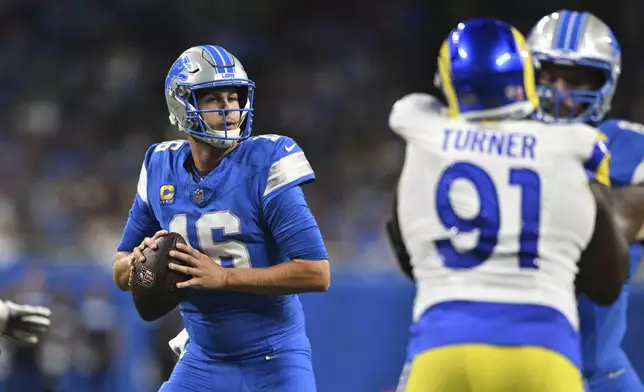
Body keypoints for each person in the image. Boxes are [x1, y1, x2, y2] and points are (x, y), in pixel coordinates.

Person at [387, 18, 629, 391]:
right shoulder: (579, 146)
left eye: (578, 80)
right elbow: (605, 283)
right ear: (527, 78)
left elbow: (406, 247)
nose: (562, 93)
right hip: (545, 345)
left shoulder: (421, 128)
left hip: (442, 341)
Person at [111, 45, 330, 392]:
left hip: (274, 361)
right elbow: (120, 268)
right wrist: (136, 263)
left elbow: (317, 273)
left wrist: (225, 278)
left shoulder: (267, 161)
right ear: (181, 104)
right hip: (203, 361)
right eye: (213, 99)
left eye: (234, 96)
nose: (229, 108)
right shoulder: (159, 167)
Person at [528, 11, 644, 391]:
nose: (561, 92)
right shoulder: (499, 145)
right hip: (509, 368)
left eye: (577, 79)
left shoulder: (629, 151)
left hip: (597, 376)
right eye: (549, 76)